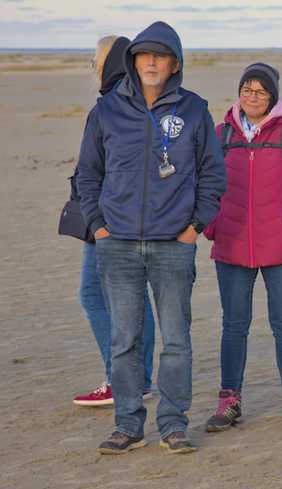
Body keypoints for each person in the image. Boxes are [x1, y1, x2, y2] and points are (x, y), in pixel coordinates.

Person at [76, 21, 227, 454]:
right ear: (133, 61)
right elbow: (88, 174)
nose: (152, 62)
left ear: (175, 64)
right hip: (117, 244)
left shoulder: (194, 110)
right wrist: (100, 227)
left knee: (176, 341)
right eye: (144, 55)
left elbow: (213, 175)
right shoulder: (106, 111)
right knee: (124, 341)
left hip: (172, 246)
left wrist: (193, 229)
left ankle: (174, 425)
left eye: (161, 56)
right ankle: (128, 425)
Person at [202, 63, 282, 432]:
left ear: (272, 97)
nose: (252, 97)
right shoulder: (221, 134)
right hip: (232, 245)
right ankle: (229, 402)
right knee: (233, 325)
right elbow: (202, 183)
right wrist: (213, 226)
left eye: (260, 91)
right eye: (247, 90)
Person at [71, 35, 156, 408]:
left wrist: (97, 222)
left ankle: (122, 380)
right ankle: (140, 379)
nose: (94, 66)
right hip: (131, 217)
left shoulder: (110, 105)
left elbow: (96, 169)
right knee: (136, 298)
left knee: (93, 294)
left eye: (97, 59)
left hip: (110, 219)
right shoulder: (140, 98)